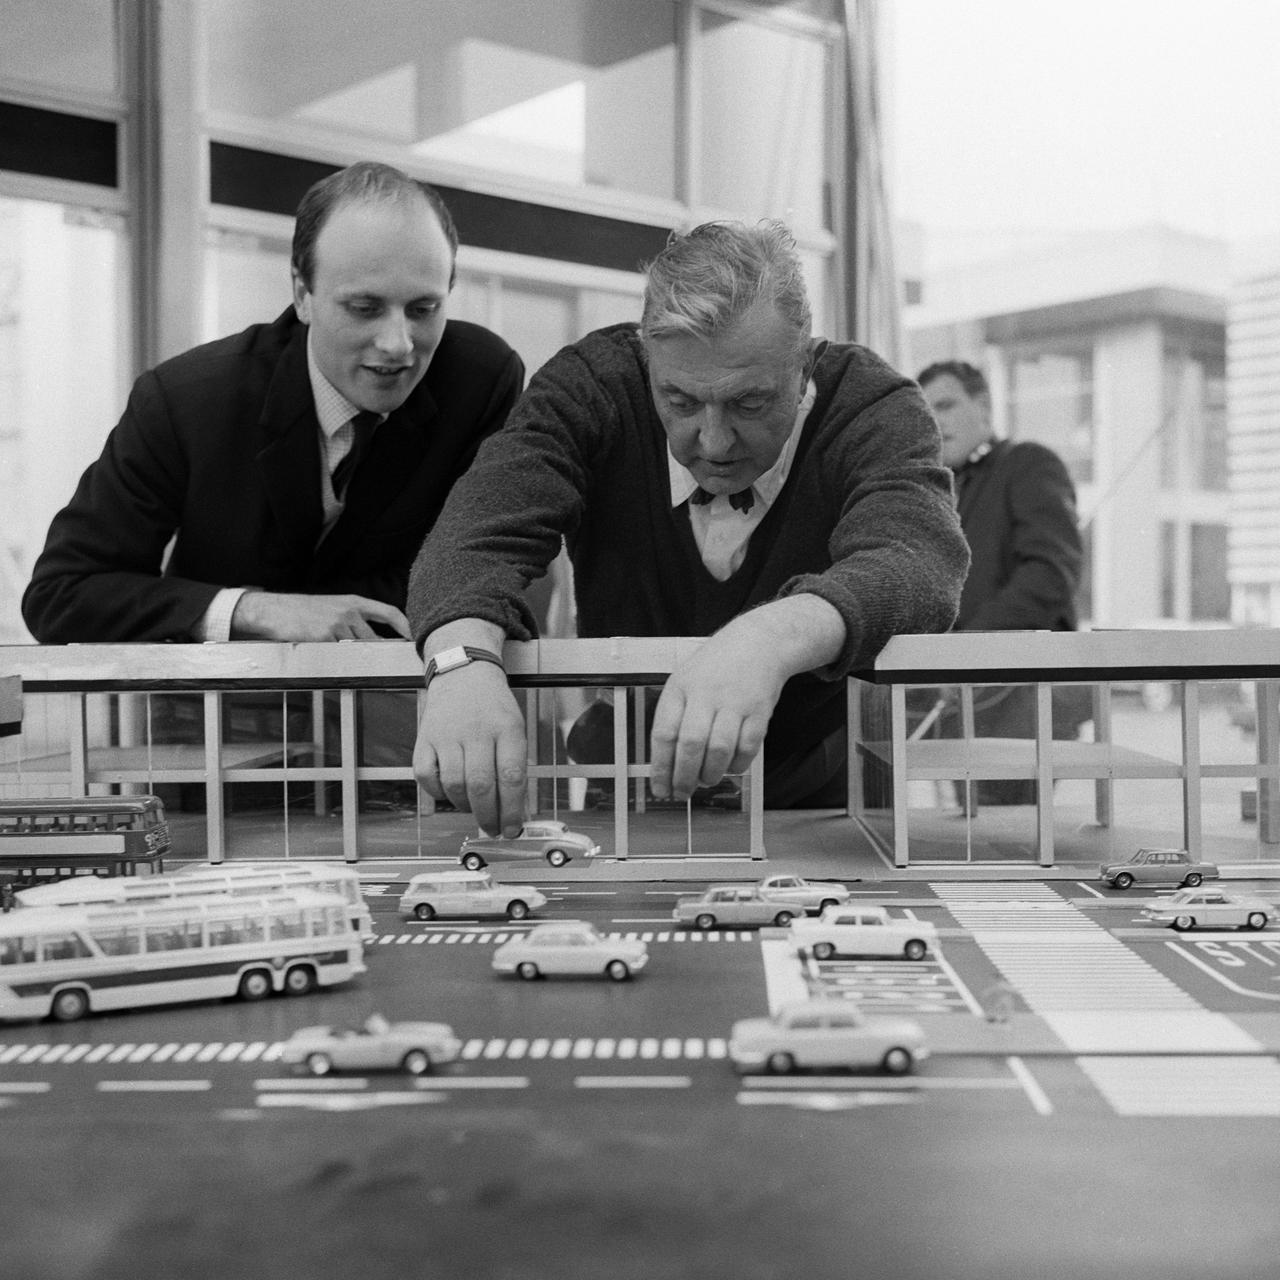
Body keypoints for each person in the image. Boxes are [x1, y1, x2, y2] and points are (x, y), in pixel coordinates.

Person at [407, 220, 969, 836]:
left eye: (750, 404)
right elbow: (476, 531)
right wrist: (460, 662)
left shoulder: (869, 405)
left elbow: (918, 557)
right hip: (630, 783)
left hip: (828, 797)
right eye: (679, 402)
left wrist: (770, 638)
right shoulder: (594, 386)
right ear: (646, 361)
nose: (714, 440)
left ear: (804, 366)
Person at [22, 160, 523, 644]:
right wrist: (252, 610)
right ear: (302, 294)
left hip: (399, 704)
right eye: (365, 308)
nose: (398, 343)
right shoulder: (187, 400)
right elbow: (62, 594)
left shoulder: (479, 380)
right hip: (214, 709)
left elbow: (477, 568)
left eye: (423, 309)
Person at [917, 359, 1084, 803]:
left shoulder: (1027, 463)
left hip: (1022, 700)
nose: (935, 420)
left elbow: (1050, 574)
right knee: (971, 839)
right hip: (961, 701)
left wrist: (968, 649)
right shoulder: (939, 492)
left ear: (984, 405)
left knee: (1011, 843)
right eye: (924, 411)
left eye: (946, 405)